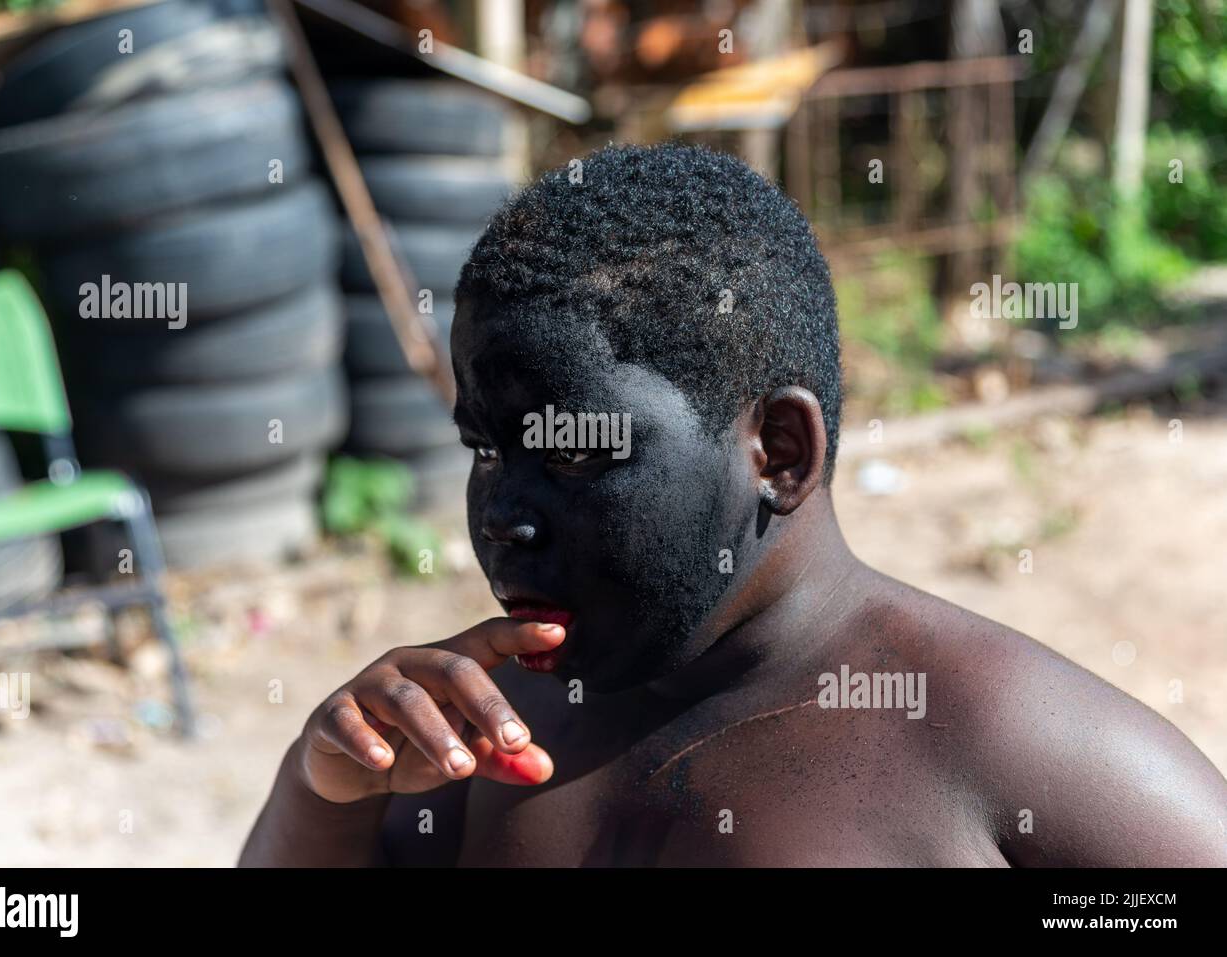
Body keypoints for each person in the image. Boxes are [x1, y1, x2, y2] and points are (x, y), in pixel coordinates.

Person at [241, 143, 1227, 866]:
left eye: (577, 457)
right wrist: (325, 787)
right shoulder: (488, 743)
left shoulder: (1017, 752)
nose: (505, 516)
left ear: (778, 453)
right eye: (486, 450)